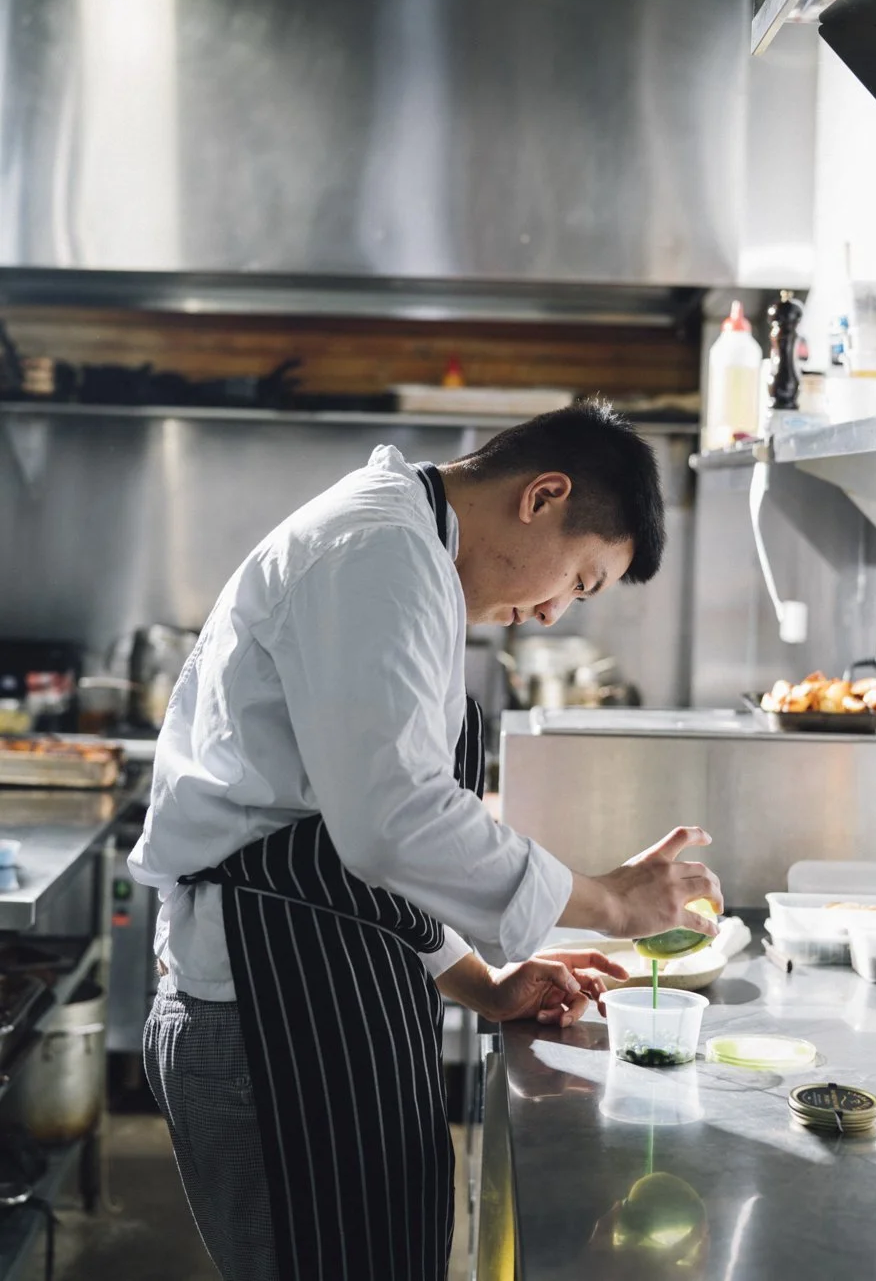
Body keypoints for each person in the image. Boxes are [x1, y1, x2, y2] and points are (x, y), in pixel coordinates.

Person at [130, 399, 722, 1281]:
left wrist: (480, 985)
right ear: (543, 497)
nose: (555, 613)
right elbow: (391, 821)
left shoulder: (409, 554)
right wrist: (608, 901)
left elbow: (366, 835)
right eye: (582, 580)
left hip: (323, 983)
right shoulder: (376, 552)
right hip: (266, 1008)